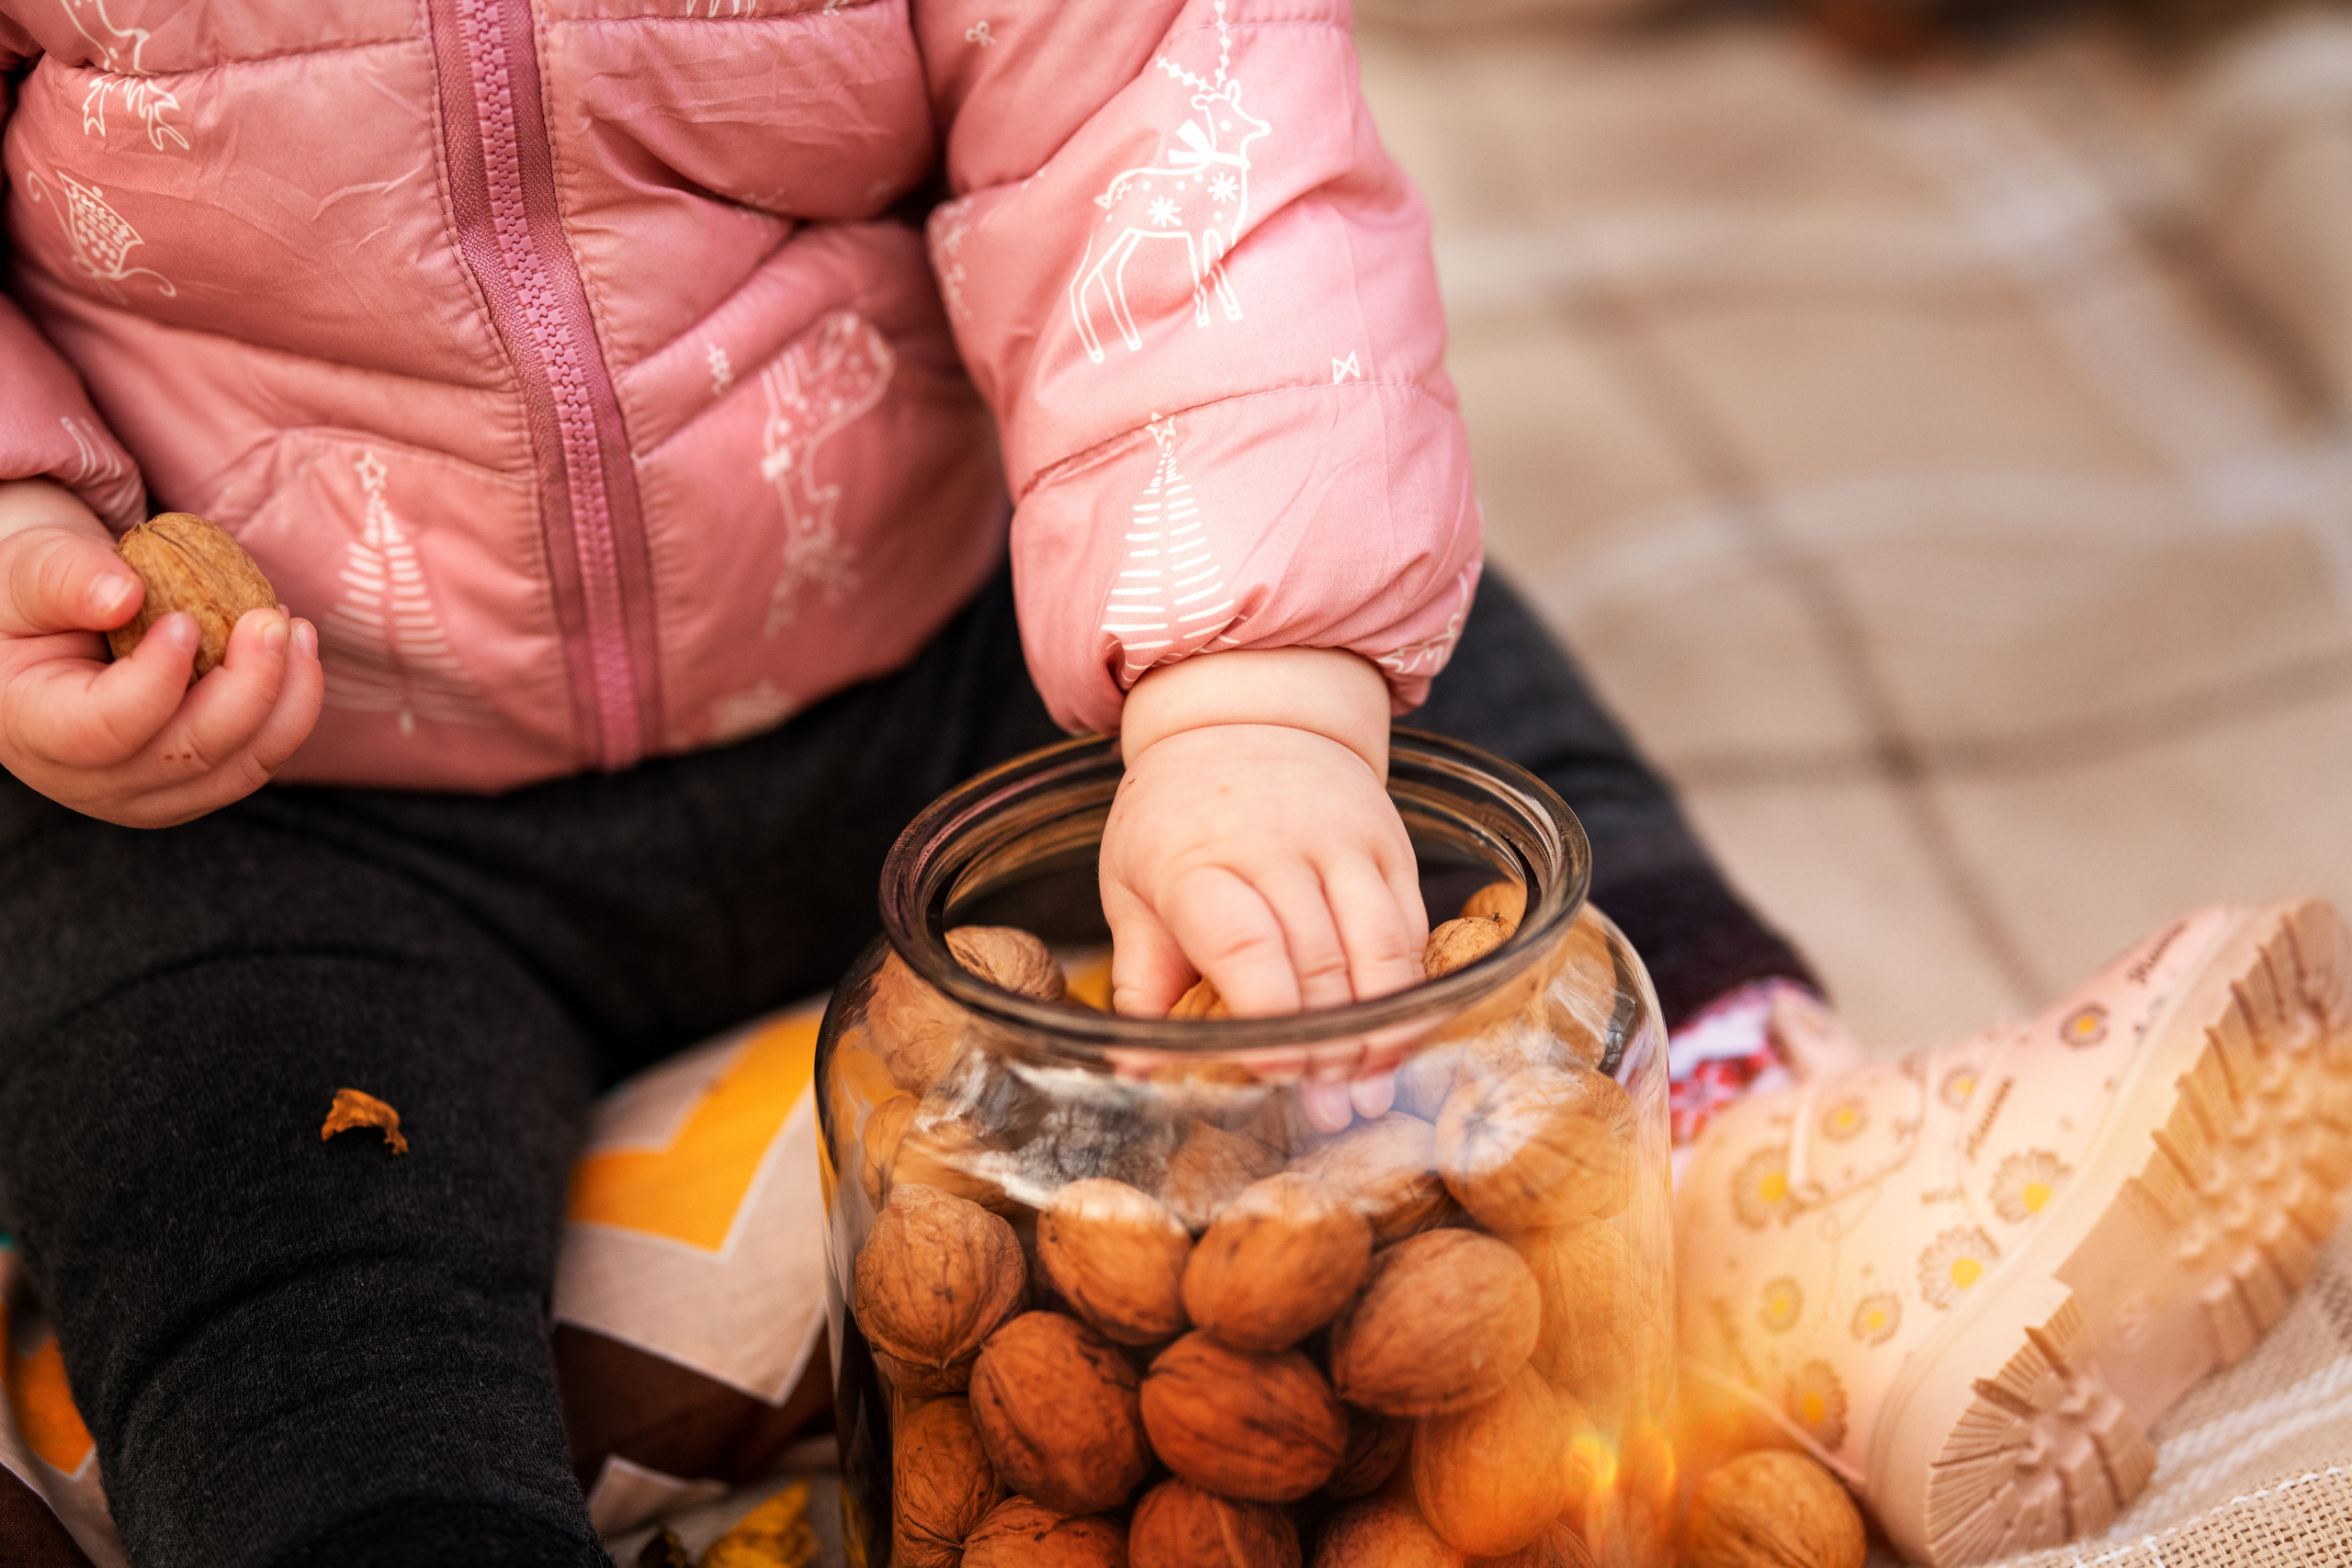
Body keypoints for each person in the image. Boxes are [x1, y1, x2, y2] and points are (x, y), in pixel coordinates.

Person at [0, 3, 1808, 1563]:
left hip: (969, 637)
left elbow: (1161, 94)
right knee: (229, 1176)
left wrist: (1250, 696)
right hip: (290, 791)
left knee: (1411, 708)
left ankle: (1786, 1180)